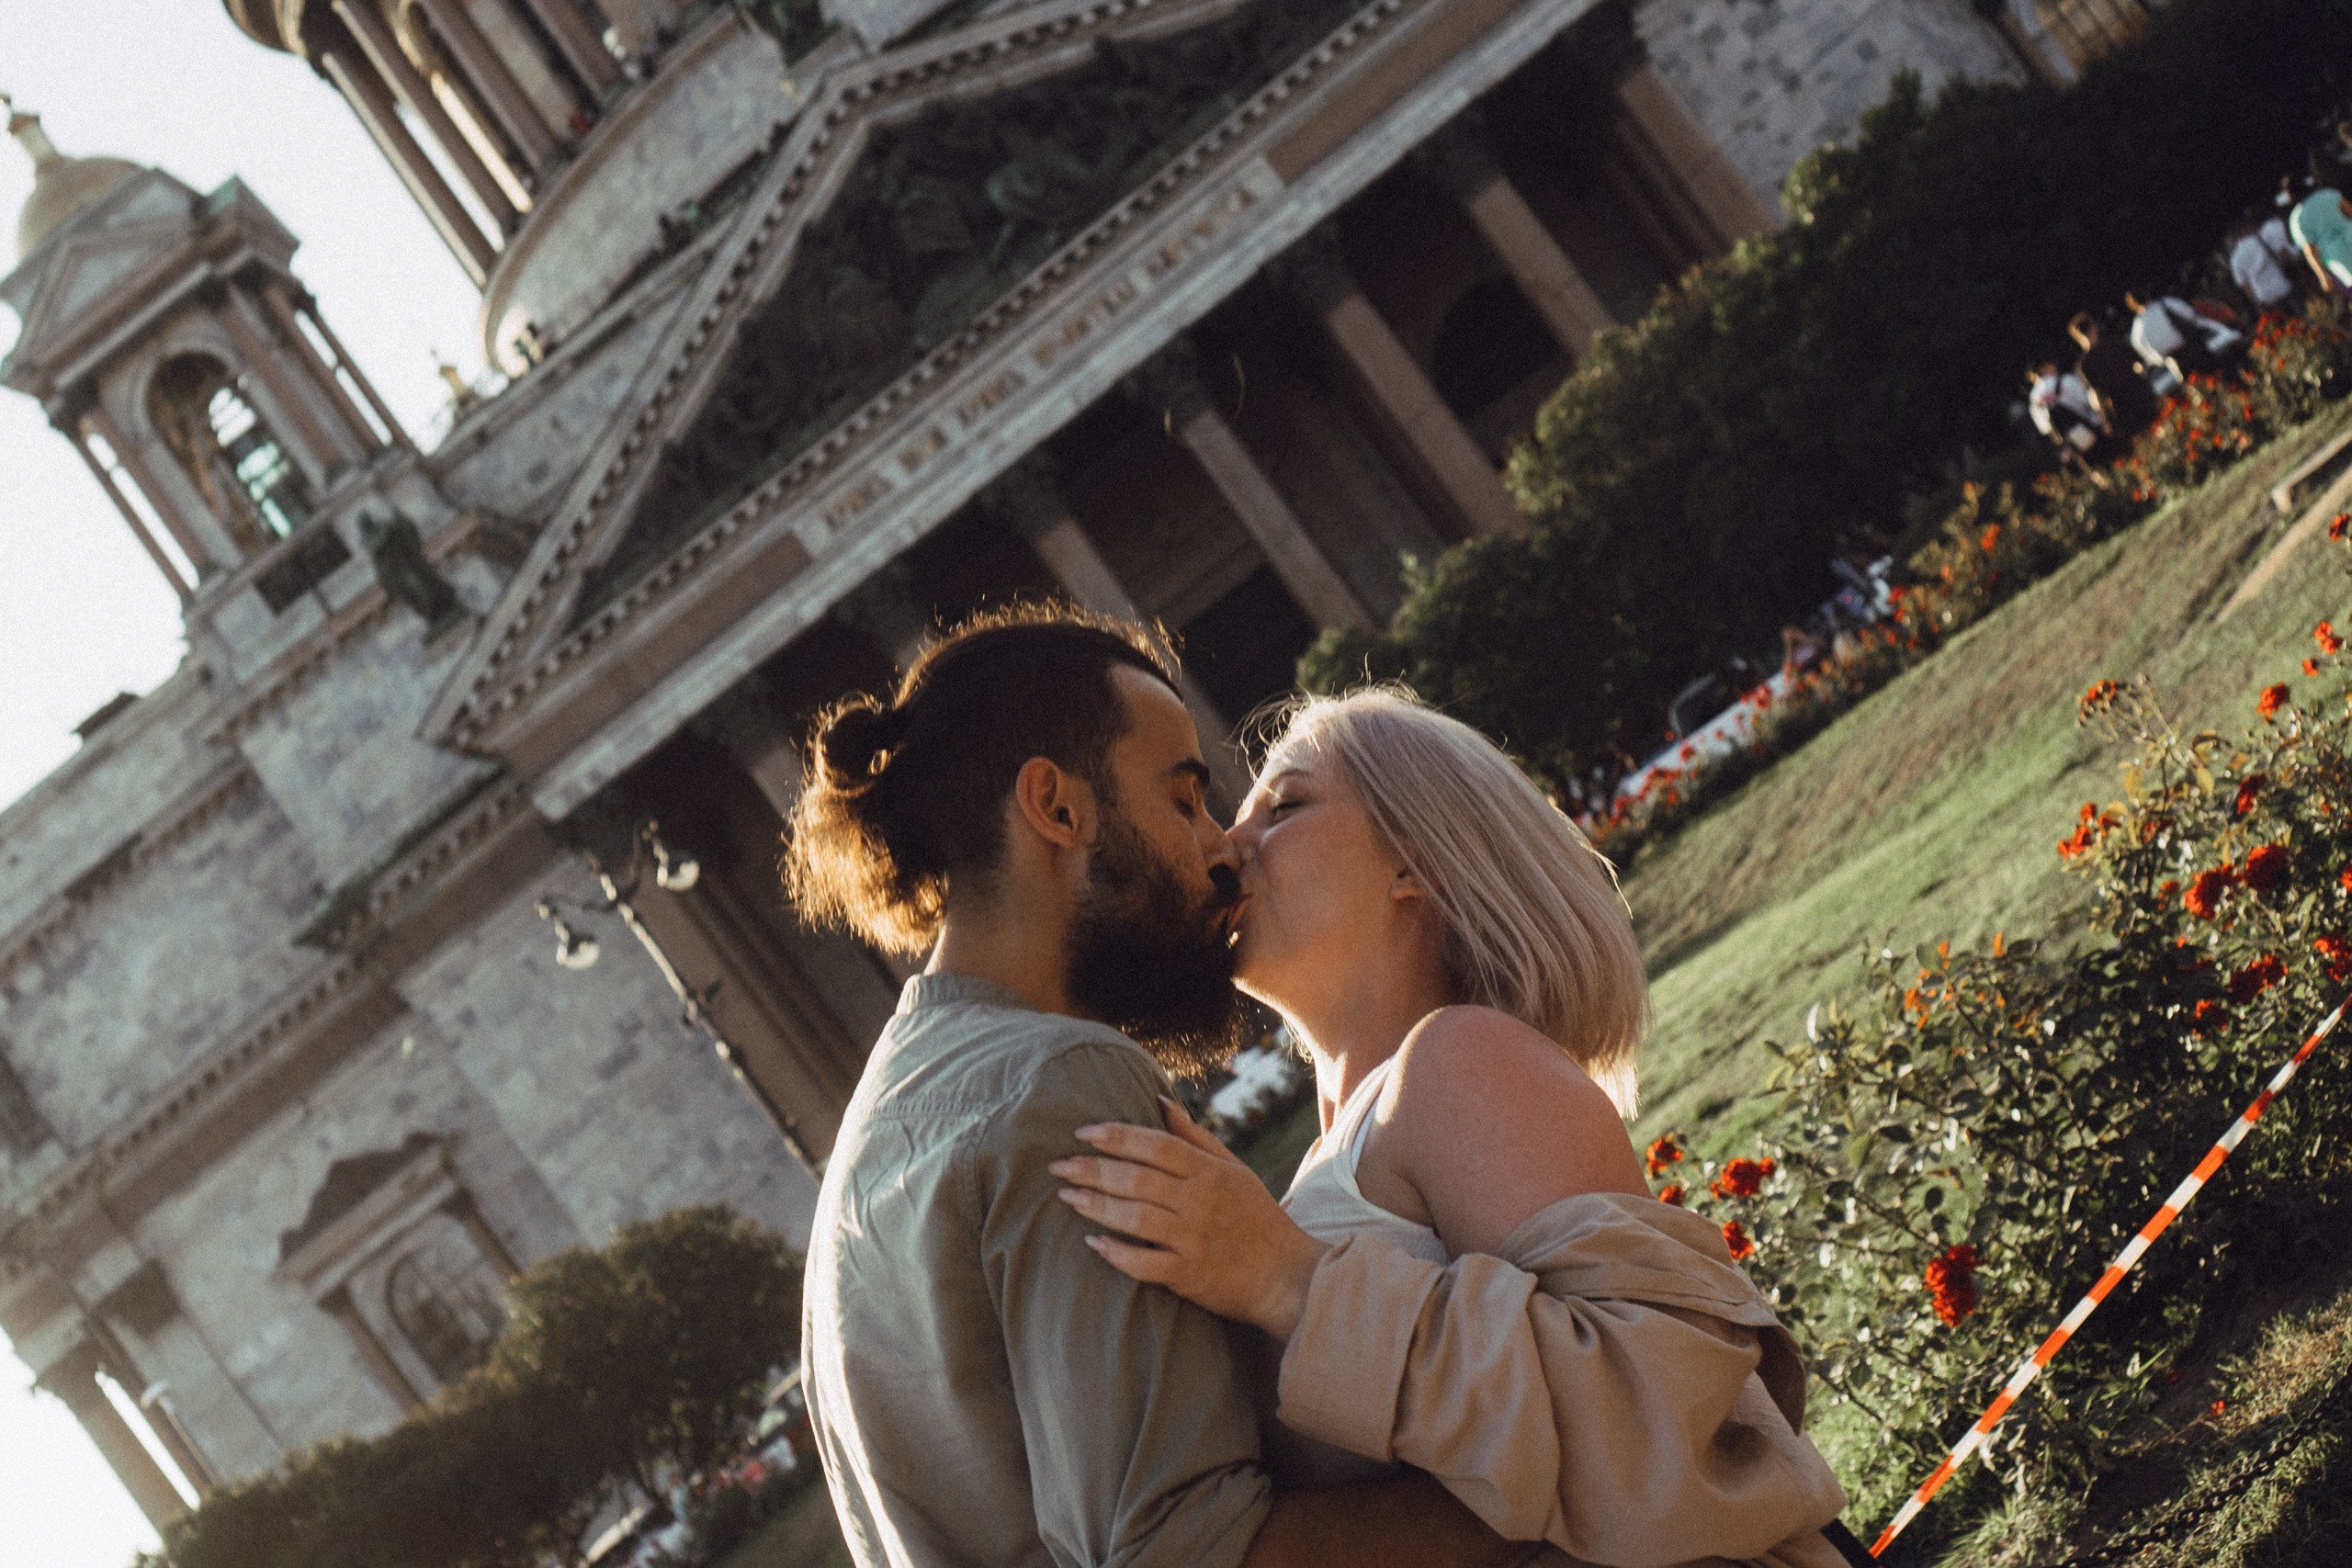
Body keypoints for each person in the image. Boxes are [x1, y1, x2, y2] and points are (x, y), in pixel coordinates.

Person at [1053, 688, 1855, 1568]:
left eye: (1284, 807)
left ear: (1416, 860)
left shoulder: (1458, 1061)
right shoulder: (1342, 1147)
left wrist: (1291, 1282)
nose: (1226, 845)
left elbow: (1665, 1427)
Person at [786, 606, 1518, 1568]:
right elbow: (1185, 1551)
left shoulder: (877, 1131)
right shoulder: (1057, 1081)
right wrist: (1549, 1504)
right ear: (1056, 807)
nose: (1221, 848)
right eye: (1182, 802)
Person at [2069, 312, 2158, 437]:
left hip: (2120, 406)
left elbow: (2097, 393)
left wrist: (2105, 420)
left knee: (2144, 438)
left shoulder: (2084, 364)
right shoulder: (2113, 343)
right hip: (2139, 392)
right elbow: (2139, 364)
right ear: (2093, 327)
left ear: (2077, 336)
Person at [2290, 150, 2352, 293]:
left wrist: (2323, 276)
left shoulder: (2297, 218)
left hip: (2336, 255)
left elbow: (2310, 250)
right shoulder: (2328, 194)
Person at [2228, 218, 2300, 312]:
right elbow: (2284, 255)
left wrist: (2259, 305)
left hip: (2265, 297)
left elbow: (2246, 287)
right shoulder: (2261, 238)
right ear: (2244, 228)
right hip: (2283, 285)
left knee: (2286, 324)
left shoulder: (2235, 260)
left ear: (2232, 237)